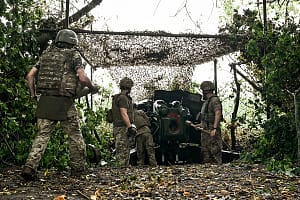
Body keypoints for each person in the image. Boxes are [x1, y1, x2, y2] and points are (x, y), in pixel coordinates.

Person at [21, 29, 99, 181]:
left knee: (42, 135)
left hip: (45, 101)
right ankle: (78, 169)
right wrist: (92, 87)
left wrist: (33, 95)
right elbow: (82, 78)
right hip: (64, 103)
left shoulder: (45, 55)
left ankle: (29, 167)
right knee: (74, 135)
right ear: (72, 42)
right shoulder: (73, 55)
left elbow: (30, 76)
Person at [186, 81, 223, 164]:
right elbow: (205, 119)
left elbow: (218, 113)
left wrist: (214, 128)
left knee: (215, 152)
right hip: (205, 132)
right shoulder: (206, 102)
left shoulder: (214, 100)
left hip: (212, 131)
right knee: (206, 154)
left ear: (205, 91)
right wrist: (198, 125)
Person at [111, 77, 136, 167]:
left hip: (119, 127)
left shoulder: (118, 97)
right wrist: (130, 127)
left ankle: (123, 169)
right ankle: (120, 172)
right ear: (129, 88)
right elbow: (123, 113)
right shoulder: (123, 98)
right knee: (122, 151)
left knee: (124, 149)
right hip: (122, 127)